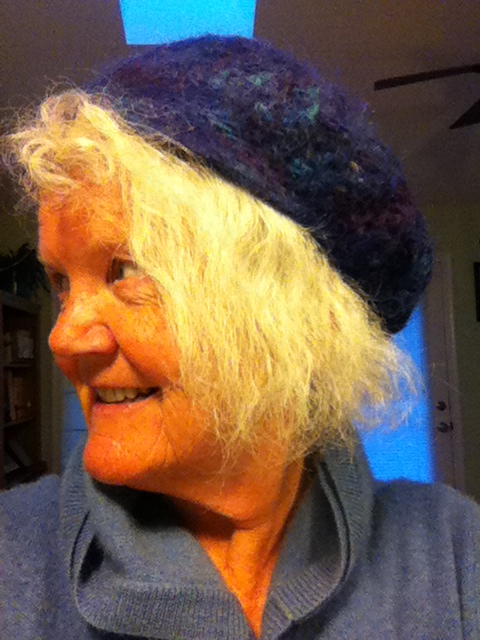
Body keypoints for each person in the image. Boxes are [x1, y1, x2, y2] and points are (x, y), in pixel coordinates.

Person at [1, 36, 478, 639]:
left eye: (126, 271)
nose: (63, 338)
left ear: (291, 308)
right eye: (62, 283)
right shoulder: (14, 558)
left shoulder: (454, 557)